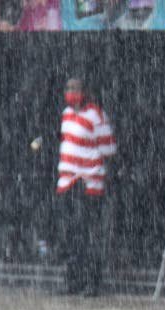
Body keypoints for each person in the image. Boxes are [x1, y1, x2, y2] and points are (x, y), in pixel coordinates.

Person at [54, 77, 117, 296]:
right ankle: (73, 281)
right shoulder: (66, 115)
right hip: (67, 183)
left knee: (88, 235)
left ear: (85, 91)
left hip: (88, 184)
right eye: (68, 88)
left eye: (75, 88)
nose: (71, 92)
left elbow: (108, 149)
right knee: (71, 235)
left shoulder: (96, 116)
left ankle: (92, 282)